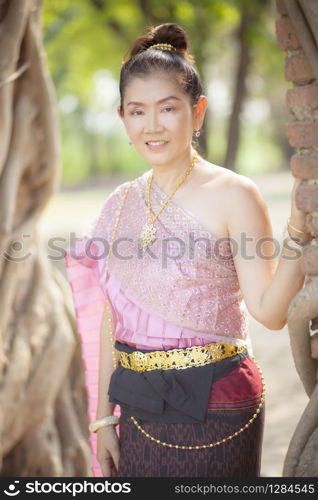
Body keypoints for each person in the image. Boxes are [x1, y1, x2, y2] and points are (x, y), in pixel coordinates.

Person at [64, 23, 311, 478]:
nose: (152, 126)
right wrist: (102, 420)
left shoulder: (233, 193)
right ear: (122, 119)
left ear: (197, 113)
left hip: (218, 401)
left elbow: (270, 313)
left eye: (168, 108)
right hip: (134, 404)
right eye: (137, 112)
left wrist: (300, 231)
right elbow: (109, 316)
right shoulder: (118, 205)